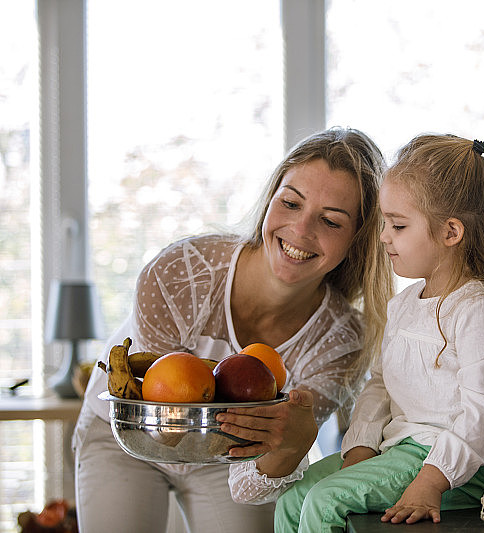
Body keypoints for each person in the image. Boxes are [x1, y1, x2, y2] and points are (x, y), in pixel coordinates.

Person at [72, 127, 394, 533]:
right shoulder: (181, 273)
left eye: (330, 221)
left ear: (359, 240)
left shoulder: (341, 341)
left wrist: (291, 446)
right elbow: (160, 424)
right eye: (291, 203)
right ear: (271, 199)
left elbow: (254, 481)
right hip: (126, 438)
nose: (300, 229)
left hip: (231, 456)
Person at [231, 133, 484, 532]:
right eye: (384, 222)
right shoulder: (404, 305)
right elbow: (382, 385)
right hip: (404, 449)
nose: (383, 236)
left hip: (471, 466)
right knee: (295, 495)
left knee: (324, 501)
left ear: (451, 233)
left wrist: (431, 480)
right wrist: (361, 446)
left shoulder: (480, 311)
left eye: (398, 225)